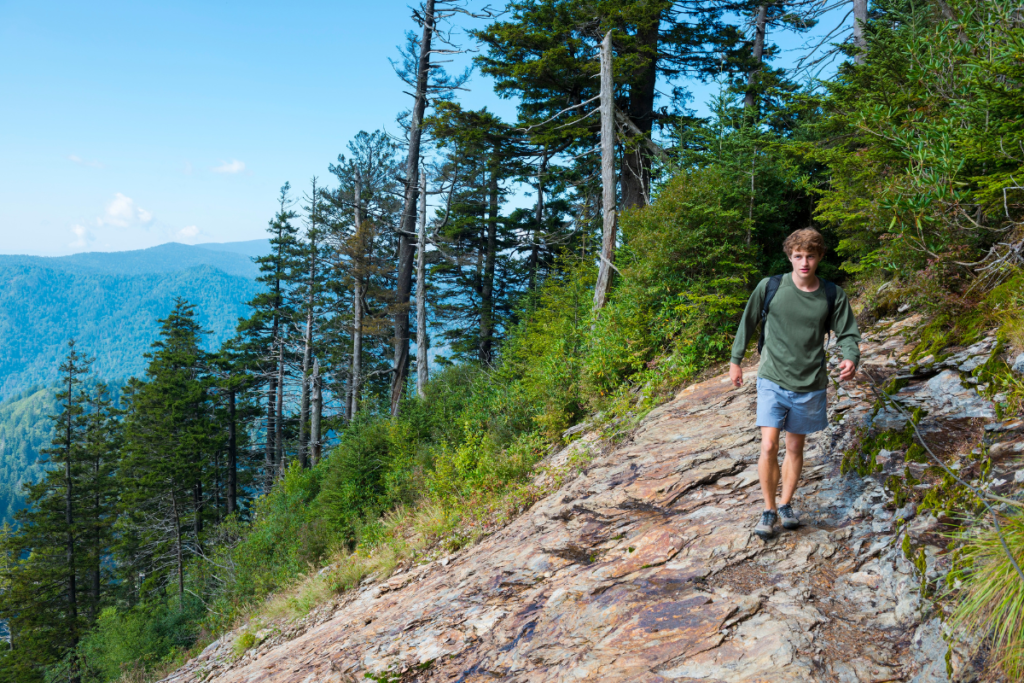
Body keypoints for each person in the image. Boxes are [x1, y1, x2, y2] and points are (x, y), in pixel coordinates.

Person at [729, 228, 861, 540]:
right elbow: (747, 322)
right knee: (769, 444)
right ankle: (768, 509)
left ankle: (786, 504)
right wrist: (736, 360)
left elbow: (848, 332)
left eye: (810, 256)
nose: (804, 262)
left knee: (794, 446)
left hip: (810, 383)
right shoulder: (771, 286)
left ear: (820, 257)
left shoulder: (831, 295)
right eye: (798, 256)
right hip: (772, 378)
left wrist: (850, 357)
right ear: (790, 256)